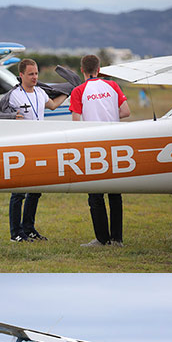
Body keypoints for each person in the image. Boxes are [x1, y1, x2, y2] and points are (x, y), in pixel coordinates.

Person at [70, 54, 130, 247]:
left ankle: (102, 239)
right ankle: (117, 239)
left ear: (82, 70)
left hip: (93, 146)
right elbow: (126, 111)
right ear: (99, 69)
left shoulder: (79, 91)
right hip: (115, 143)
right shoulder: (112, 86)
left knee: (95, 195)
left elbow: (76, 121)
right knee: (115, 194)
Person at [6, 58, 67, 242]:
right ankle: (15, 233)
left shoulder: (40, 92)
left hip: (38, 147)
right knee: (18, 192)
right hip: (20, 148)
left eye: (36, 73)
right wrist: (10, 117)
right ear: (21, 75)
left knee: (35, 190)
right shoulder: (13, 95)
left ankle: (29, 229)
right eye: (31, 74)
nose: (35, 77)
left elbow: (53, 105)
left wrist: (68, 91)